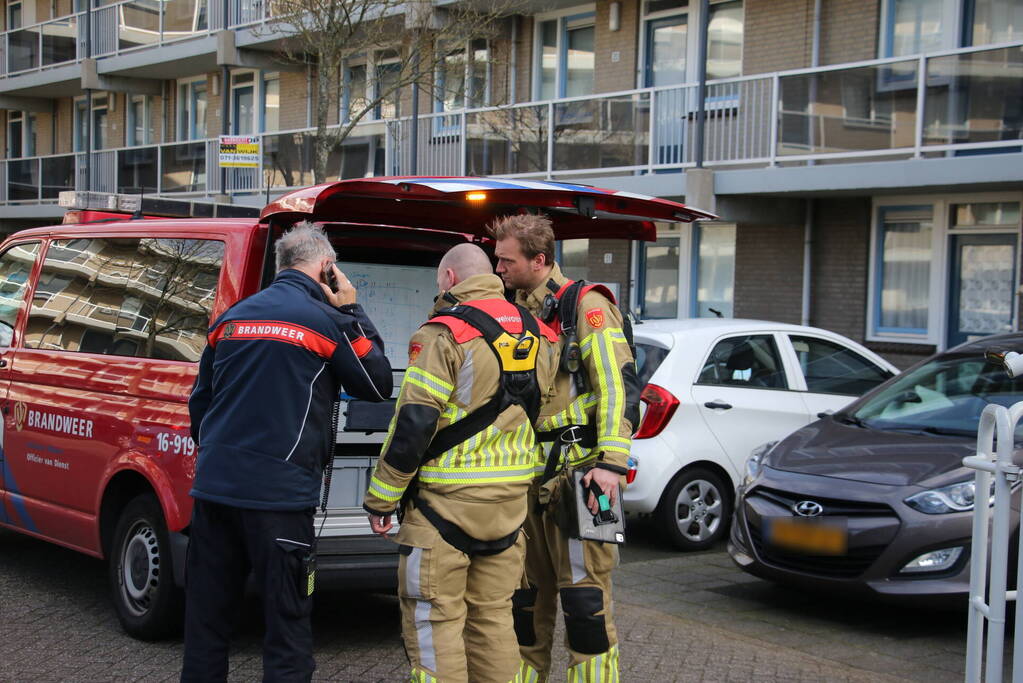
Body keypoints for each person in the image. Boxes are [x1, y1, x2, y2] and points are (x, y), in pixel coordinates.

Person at [182, 222, 393, 683]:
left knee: (206, 626)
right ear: (327, 269)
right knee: (287, 628)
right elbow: (377, 382)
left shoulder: (231, 319)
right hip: (278, 502)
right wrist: (352, 305)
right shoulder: (328, 322)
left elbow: (200, 402)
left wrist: (221, 457)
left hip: (215, 493)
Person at [363, 243, 559, 683]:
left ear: (450, 279)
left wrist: (382, 499)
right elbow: (539, 410)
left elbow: (414, 424)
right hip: (509, 510)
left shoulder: (442, 334)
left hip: (444, 508)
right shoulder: (540, 334)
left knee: (436, 620)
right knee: (493, 618)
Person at [492, 214, 638, 683]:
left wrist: (613, 465)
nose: (498, 268)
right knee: (523, 604)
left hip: (591, 478)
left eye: (506, 259)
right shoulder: (511, 307)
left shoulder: (587, 305)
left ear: (539, 260)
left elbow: (617, 388)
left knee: (586, 606)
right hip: (529, 479)